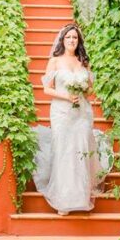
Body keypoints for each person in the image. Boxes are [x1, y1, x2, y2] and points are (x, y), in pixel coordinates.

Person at [33, 24, 105, 215]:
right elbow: (46, 89)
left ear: (78, 41)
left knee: (81, 149)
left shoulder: (83, 62)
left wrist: (82, 90)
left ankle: (80, 197)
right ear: (62, 40)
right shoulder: (55, 61)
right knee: (65, 150)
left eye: (75, 38)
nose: (72, 40)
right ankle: (64, 200)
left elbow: (91, 89)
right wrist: (66, 96)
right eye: (68, 37)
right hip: (62, 111)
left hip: (82, 112)